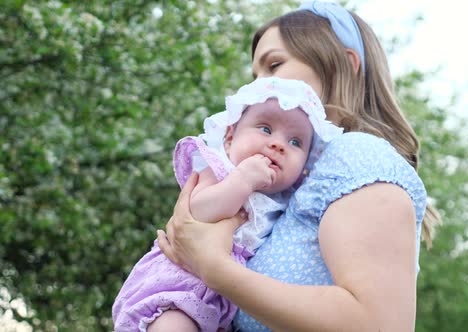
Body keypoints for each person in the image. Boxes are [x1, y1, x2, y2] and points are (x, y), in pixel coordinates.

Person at [157, 0, 441, 331]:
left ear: (345, 64)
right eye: (255, 74)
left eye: (274, 65)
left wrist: (214, 268)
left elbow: (377, 323)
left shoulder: (357, 154)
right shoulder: (292, 184)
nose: (256, 85)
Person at [112, 77, 342, 332]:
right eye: (265, 129)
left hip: (220, 303)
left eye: (295, 142)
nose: (278, 144)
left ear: (304, 168)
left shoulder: (286, 206)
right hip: (177, 285)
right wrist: (243, 179)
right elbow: (196, 212)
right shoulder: (220, 169)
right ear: (230, 137)